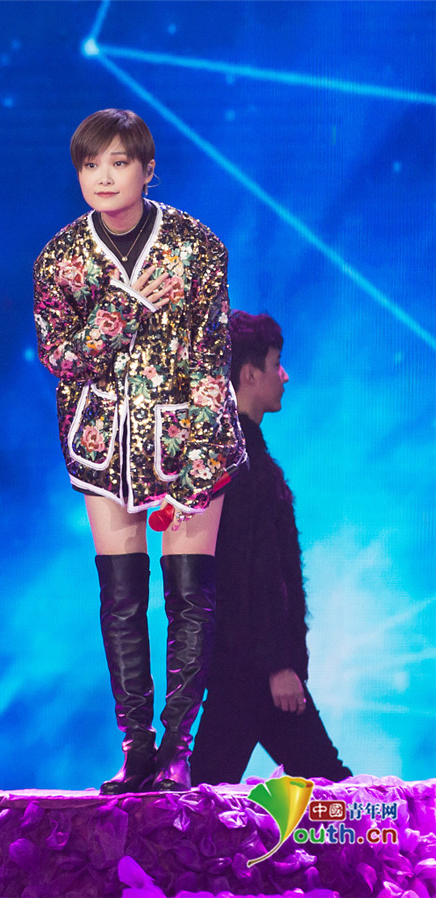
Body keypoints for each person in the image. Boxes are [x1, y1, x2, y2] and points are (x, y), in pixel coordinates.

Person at [33, 109, 247, 793]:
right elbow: (59, 359)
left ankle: (178, 752)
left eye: (119, 162)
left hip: (187, 439)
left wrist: (198, 467)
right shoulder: (60, 259)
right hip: (104, 444)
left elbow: (211, 359)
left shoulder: (196, 247)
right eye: (90, 164)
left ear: (148, 170)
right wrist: (119, 311)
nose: (103, 176)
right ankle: (136, 748)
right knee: (121, 598)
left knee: (189, 596)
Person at [190, 311, 352, 786]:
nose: (285, 376)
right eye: (276, 363)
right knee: (328, 787)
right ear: (248, 374)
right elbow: (254, 572)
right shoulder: (245, 467)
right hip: (254, 671)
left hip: (242, 667)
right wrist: (279, 665)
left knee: (208, 792)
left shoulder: (233, 458)